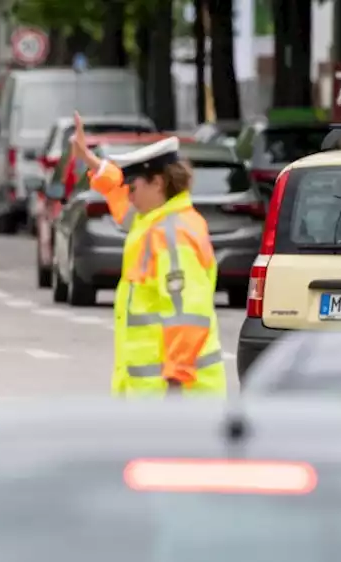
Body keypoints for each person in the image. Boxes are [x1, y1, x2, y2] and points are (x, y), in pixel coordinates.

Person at [69, 113, 227, 396]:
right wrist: (89, 159)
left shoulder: (172, 234)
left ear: (157, 182)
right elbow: (118, 195)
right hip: (155, 397)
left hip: (177, 400)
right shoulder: (154, 220)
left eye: (135, 187)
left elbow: (187, 313)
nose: (129, 195)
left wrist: (176, 387)